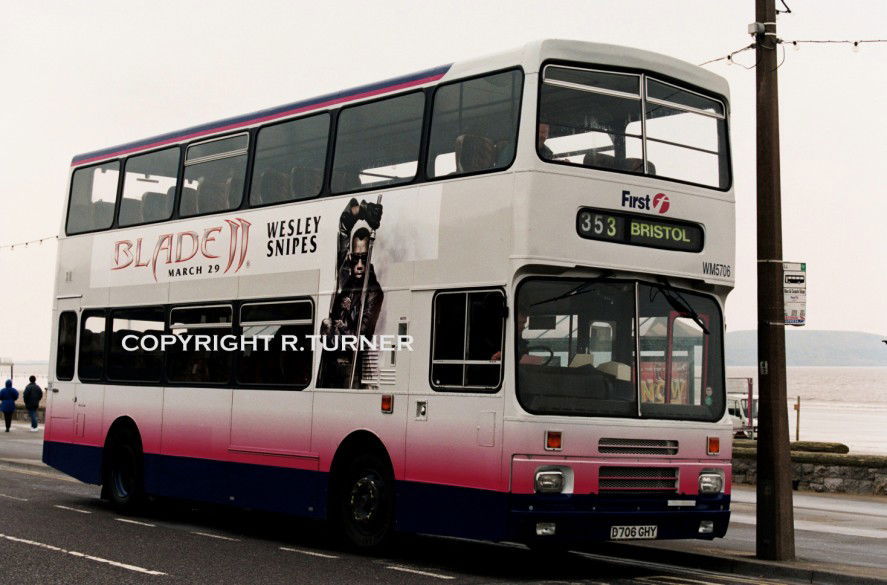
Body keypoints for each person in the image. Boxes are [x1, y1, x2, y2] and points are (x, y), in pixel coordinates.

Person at [320, 226, 384, 388]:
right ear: (350, 258)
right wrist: (359, 209)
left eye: (364, 258)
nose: (360, 265)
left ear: (370, 258)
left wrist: (337, 328)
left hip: (351, 369)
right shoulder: (346, 281)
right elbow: (342, 231)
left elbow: (361, 338)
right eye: (356, 259)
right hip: (329, 367)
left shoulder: (373, 292)